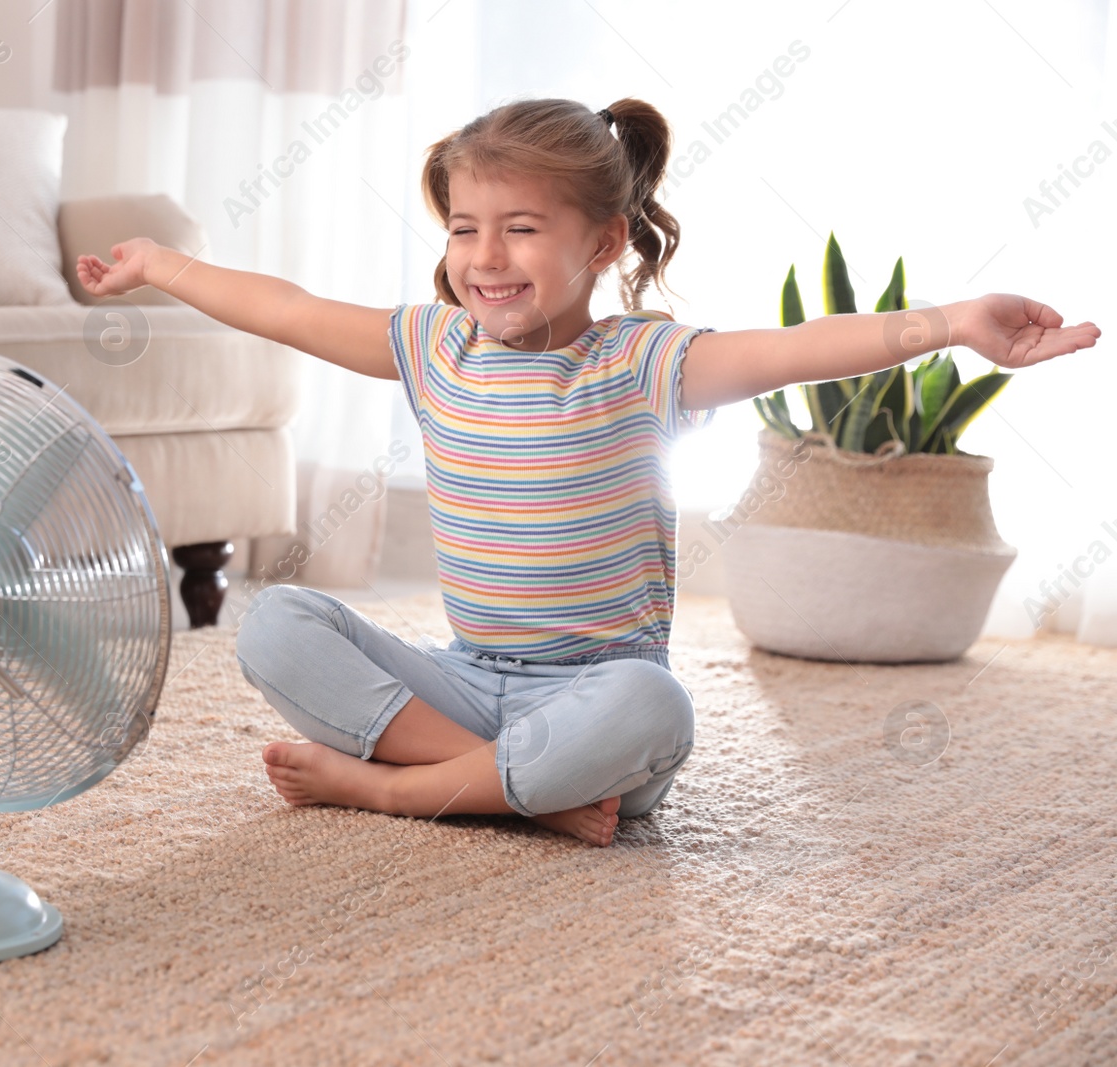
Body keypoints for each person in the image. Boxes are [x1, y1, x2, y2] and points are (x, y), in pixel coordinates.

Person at [76, 97, 1101, 846]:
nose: (486, 254)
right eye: (466, 228)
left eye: (521, 227)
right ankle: (509, 789)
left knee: (658, 709)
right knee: (273, 622)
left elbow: (806, 343)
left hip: (595, 702)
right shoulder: (436, 349)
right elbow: (287, 308)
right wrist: (160, 267)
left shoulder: (645, 361)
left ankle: (390, 788)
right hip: (468, 685)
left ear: (604, 240)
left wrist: (956, 322)